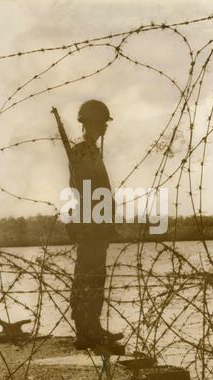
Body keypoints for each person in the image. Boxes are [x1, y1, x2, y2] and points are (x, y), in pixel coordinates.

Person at [67, 100, 124, 353]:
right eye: (101, 123)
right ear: (89, 124)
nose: (104, 127)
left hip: (94, 222)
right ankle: (87, 330)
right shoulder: (84, 150)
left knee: (93, 275)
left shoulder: (89, 150)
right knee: (89, 276)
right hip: (91, 224)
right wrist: (93, 221)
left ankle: (92, 327)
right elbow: (86, 189)